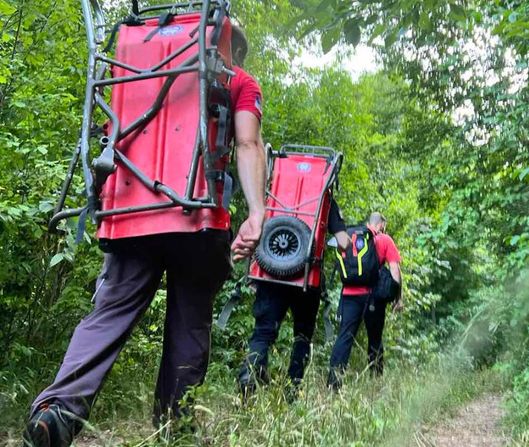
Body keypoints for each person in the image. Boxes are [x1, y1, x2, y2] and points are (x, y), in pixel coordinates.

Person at [23, 24, 265, 446]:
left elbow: (110, 136)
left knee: (108, 315)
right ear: (233, 47)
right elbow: (247, 144)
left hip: (132, 211)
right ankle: (174, 429)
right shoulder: (239, 80)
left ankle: (56, 411)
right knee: (189, 328)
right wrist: (257, 213)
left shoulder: (139, 68)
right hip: (198, 218)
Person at [238, 199, 351, 399]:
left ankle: (250, 374)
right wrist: (344, 245)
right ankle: (292, 389)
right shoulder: (325, 199)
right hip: (307, 278)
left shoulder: (272, 190)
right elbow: (343, 241)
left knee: (263, 333)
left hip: (271, 274)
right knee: (302, 337)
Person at [327, 212, 403, 390]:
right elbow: (395, 270)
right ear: (381, 224)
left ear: (368, 222)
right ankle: (375, 383)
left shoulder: (348, 237)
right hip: (372, 297)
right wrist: (397, 298)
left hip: (348, 295)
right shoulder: (384, 240)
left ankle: (333, 385)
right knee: (375, 339)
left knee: (344, 337)